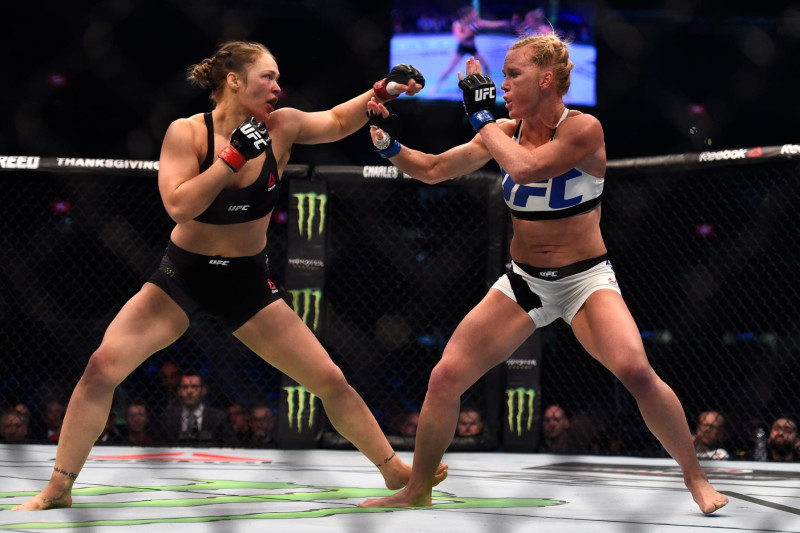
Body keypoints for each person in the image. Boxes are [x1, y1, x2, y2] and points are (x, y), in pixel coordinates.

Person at [12, 40, 442, 511]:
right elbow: (178, 205)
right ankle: (59, 486)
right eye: (268, 77)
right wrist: (231, 159)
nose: (278, 86)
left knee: (330, 379)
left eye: (278, 78)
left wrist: (383, 90)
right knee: (100, 369)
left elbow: (339, 120)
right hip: (183, 274)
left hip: (247, 281)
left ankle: (391, 469)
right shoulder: (188, 133)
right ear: (234, 80)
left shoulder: (281, 126)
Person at [360, 33, 728, 514]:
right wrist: (387, 144)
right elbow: (432, 169)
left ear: (547, 79)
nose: (503, 85)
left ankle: (695, 477)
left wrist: (482, 117)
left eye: (514, 75)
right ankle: (417, 488)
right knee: (445, 376)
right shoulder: (502, 131)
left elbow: (528, 169)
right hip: (524, 282)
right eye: (503, 76)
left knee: (637, 371)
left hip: (585, 280)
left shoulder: (583, 129)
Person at [432, 6, 515, 94]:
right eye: (473, 13)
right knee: (450, 68)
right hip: (462, 48)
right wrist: (470, 30)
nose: (475, 15)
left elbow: (491, 24)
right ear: (467, 15)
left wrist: (504, 23)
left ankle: (487, 87)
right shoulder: (458, 24)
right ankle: (436, 86)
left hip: (472, 48)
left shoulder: (475, 22)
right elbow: (460, 38)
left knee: (486, 67)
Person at [154, 372, 233, 445]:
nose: (189, 391)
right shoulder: (168, 417)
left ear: (203, 390)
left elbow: (231, 445)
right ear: (179, 391)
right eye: (185, 387)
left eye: (194, 387)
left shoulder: (218, 417)